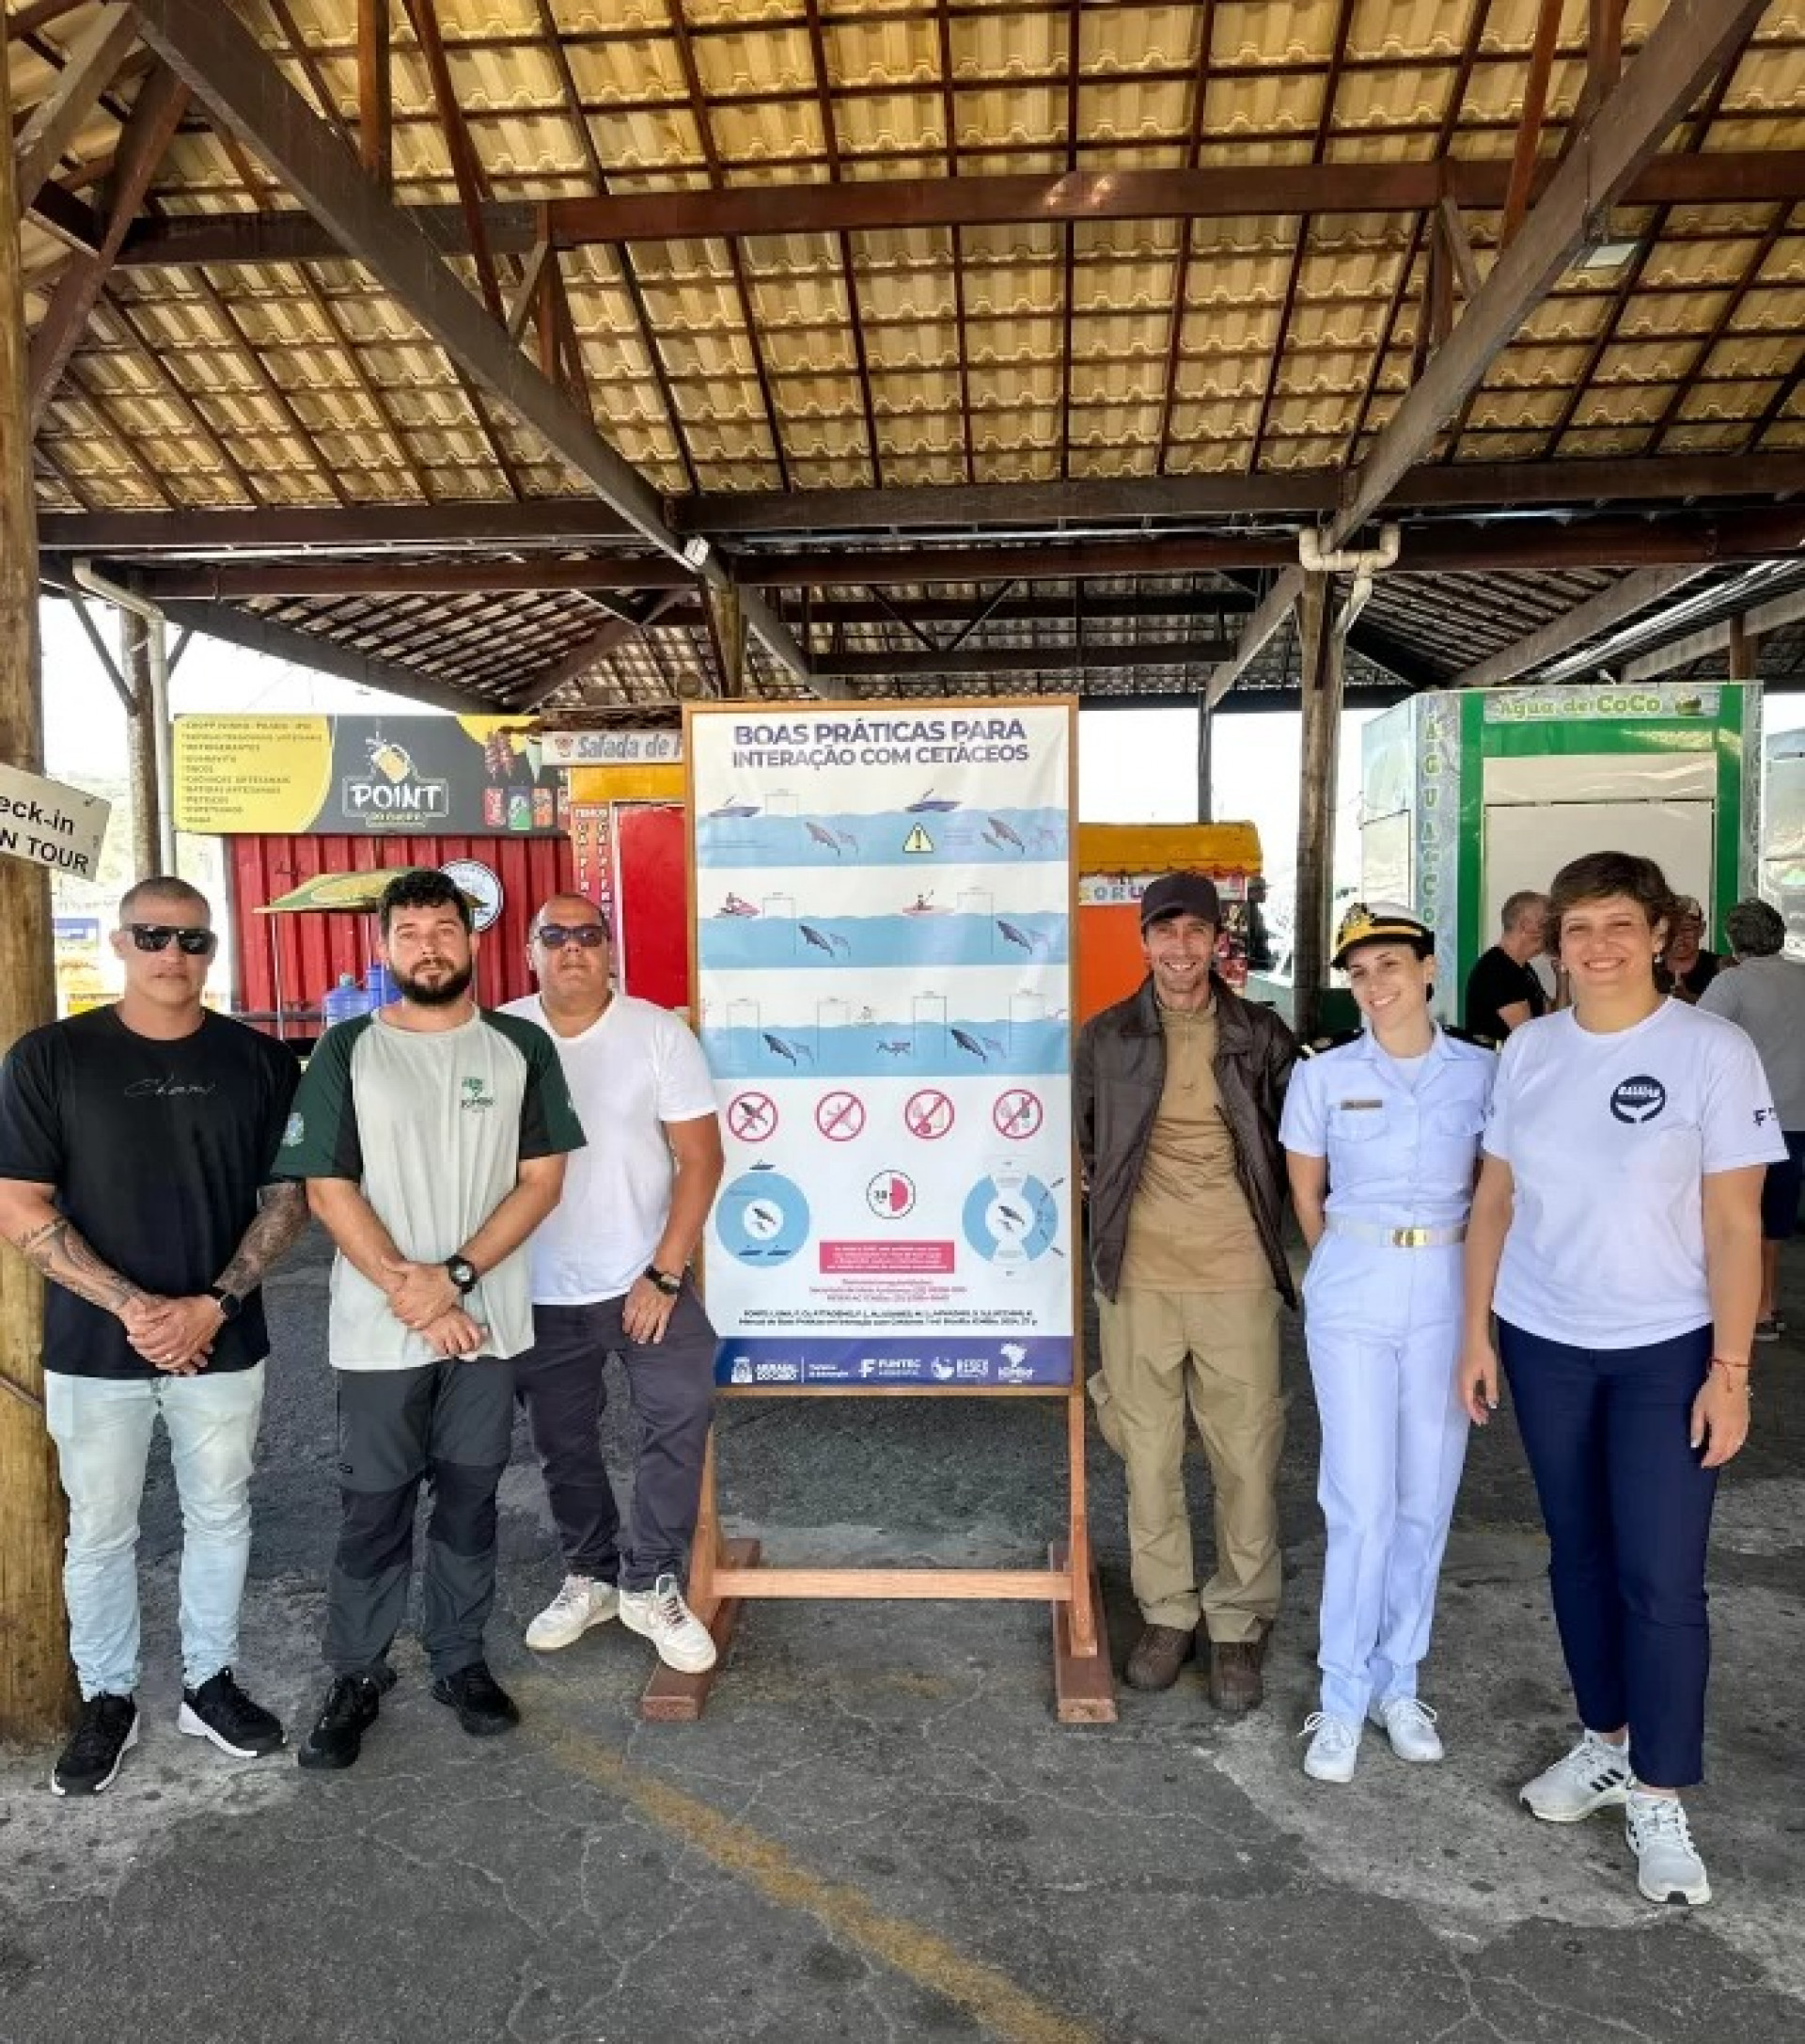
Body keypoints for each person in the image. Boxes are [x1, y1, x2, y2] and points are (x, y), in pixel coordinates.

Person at [1459, 851, 1780, 1908]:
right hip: (1544, 1338)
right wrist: (1476, 1332)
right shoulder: (1531, 1050)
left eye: (1618, 925)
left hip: (1668, 1348)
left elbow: (1735, 1224)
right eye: (1577, 928)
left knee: (1661, 1575)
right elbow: (1495, 1200)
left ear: (1659, 935)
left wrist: (1730, 1368)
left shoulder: (1711, 1050)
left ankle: (1658, 1789)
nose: (1597, 946)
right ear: (1555, 944)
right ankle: (1604, 1739)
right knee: (1580, 1556)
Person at [0, 876, 307, 1797]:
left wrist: (213, 1303)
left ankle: (209, 1684)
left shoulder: (260, 1061)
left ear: (212, 950)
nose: (174, 954)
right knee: (99, 1530)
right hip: (96, 1347)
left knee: (222, 1514)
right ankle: (109, 1697)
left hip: (224, 1336)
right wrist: (134, 1306)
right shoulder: (51, 1056)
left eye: (193, 939)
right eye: (153, 935)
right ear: (120, 943)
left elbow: (288, 1199)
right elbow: (19, 1202)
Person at [277, 869, 584, 1771]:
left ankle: (458, 1659)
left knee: (469, 1497)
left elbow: (543, 1182)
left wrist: (452, 1279)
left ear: (472, 937)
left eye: (443, 928)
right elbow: (326, 1188)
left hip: (486, 1324)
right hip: (380, 1331)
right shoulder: (348, 1050)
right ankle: (357, 1672)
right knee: (374, 1506)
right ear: (384, 948)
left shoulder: (520, 1046)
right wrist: (411, 1291)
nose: (428, 946)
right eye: (408, 932)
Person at [1279, 903, 1495, 1783]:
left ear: (1429, 968)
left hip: (1447, 1286)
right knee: (1359, 1500)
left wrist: (1482, 1317)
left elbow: (1495, 1193)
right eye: (1359, 973)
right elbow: (1307, 1194)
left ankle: (1397, 1682)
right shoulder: (1323, 1074)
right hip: (1355, 1286)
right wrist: (1340, 1269)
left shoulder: (1482, 1071)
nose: (1374, 985)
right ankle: (1340, 1697)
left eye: (1390, 966)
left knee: (1425, 1499)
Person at [1076, 871, 1297, 1712]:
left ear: (1216, 942)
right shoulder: (1107, 1040)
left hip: (1236, 1271)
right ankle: (1166, 1611)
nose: (1180, 948)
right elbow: (1086, 1144)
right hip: (1138, 1272)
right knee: (1149, 1453)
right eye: (1164, 932)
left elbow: (1298, 1143)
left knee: (1247, 1451)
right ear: (1143, 943)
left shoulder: (1259, 1036)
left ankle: (1238, 1617)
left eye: (1195, 932)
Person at [503, 894, 726, 1675]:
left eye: (588, 934)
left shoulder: (658, 1033)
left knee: (680, 1410)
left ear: (610, 950)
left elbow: (701, 1158)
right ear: (530, 951)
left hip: (644, 1277)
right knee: (562, 1442)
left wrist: (664, 1271)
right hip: (537, 1284)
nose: (572, 948)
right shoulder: (498, 1035)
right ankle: (590, 1575)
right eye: (554, 935)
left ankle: (650, 1580)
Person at [1699, 898, 1805, 1339]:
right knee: (1775, 1224)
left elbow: (1695, 1036)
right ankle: (1767, 1307)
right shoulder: (1801, 976)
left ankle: (1733, 1309)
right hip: (1799, 1116)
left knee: (1740, 1217)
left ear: (1732, 939)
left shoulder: (1732, 983)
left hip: (1751, 1118)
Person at [1463, 891, 1549, 1041]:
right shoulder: (1495, 971)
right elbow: (1529, 1038)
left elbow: (1552, 1016)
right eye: (1547, 923)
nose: (1552, 931)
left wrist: (1562, 976)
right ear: (1526, 926)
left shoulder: (1524, 968)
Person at [1662, 896, 1721, 1003]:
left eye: (1687, 929)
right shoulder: (1648, 970)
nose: (1679, 936)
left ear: (1701, 929)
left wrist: (1689, 999)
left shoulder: (1721, 968)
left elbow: (1732, 1011)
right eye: (1672, 930)